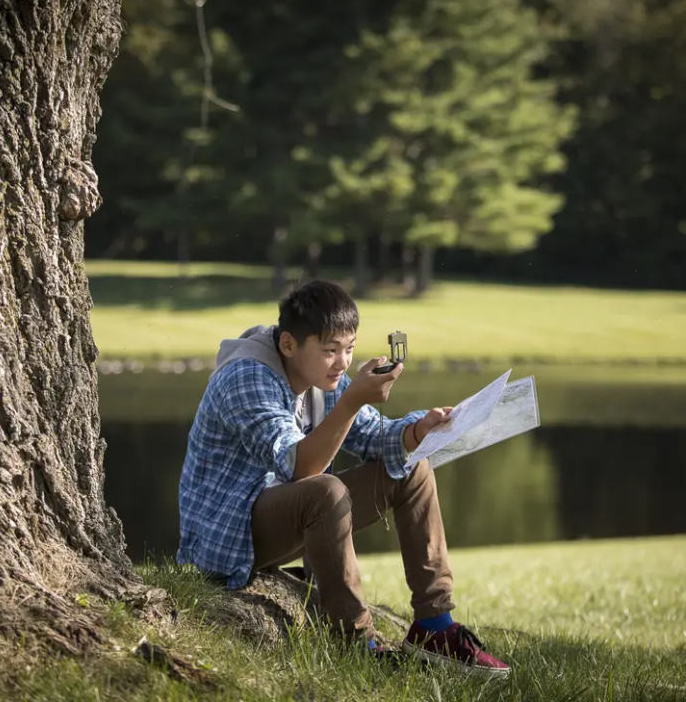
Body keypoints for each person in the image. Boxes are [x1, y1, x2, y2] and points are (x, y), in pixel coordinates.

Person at [176, 279, 510, 677]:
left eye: (349, 349)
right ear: (288, 345)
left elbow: (373, 436)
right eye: (330, 351)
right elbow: (300, 468)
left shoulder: (322, 378)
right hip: (227, 536)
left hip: (284, 516)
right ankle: (358, 642)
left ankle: (434, 627)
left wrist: (419, 430)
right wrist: (353, 399)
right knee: (325, 491)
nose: (342, 362)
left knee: (411, 469)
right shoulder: (246, 378)